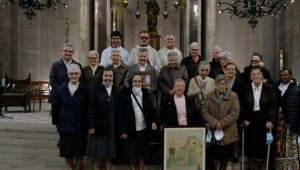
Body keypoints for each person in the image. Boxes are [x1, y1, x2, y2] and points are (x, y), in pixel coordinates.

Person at [119, 75, 158, 170]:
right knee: (131, 151)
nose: (137, 83)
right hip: (130, 128)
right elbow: (121, 114)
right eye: (135, 81)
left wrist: (154, 121)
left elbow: (152, 109)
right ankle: (133, 168)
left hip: (143, 127)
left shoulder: (146, 93)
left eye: (139, 81)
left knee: (142, 151)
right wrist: (122, 130)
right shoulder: (125, 94)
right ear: (131, 83)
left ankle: (141, 168)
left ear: (142, 83)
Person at [241, 67, 277, 170]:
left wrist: (270, 120)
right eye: (254, 74)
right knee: (250, 144)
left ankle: (263, 167)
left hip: (264, 118)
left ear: (262, 76)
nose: (256, 76)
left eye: (258, 74)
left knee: (264, 144)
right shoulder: (246, 88)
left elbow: (273, 105)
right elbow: (242, 105)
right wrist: (244, 119)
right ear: (250, 77)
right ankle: (251, 167)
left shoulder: (269, 88)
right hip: (250, 119)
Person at [201, 74, 240, 170]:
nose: (220, 86)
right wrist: (215, 123)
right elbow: (204, 111)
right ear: (215, 84)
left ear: (226, 85)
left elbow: (235, 113)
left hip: (228, 131)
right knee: (210, 155)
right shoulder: (209, 96)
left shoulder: (233, 96)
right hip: (213, 130)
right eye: (218, 84)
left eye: (222, 84)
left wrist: (221, 124)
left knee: (225, 156)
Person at [55, 64, 90, 170]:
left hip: (81, 125)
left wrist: (88, 125)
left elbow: (88, 108)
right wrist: (57, 124)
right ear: (68, 74)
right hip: (65, 125)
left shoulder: (85, 89)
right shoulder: (61, 88)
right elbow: (56, 108)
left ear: (80, 74)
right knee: (67, 151)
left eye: (76, 73)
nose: (73, 75)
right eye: (71, 73)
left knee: (79, 151)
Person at [86, 68, 121, 170]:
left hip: (112, 126)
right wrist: (91, 125)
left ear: (113, 77)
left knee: (109, 151)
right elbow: (90, 109)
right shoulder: (95, 89)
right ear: (102, 77)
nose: (108, 78)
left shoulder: (117, 90)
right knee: (98, 152)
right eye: (106, 76)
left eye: (110, 76)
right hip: (98, 125)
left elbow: (119, 110)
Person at [49, 43, 82, 148]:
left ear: (73, 53)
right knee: (58, 119)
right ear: (62, 52)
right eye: (66, 51)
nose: (68, 53)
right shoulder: (56, 65)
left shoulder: (78, 65)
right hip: (57, 97)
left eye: (70, 51)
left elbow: (80, 80)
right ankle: (61, 139)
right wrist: (62, 91)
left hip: (73, 97)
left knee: (71, 118)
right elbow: (52, 79)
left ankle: (70, 138)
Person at [273, 69, 300, 170]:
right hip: (278, 123)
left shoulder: (296, 88)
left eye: (285, 75)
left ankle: (292, 167)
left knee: (291, 147)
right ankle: (281, 167)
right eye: (281, 76)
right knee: (279, 147)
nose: (283, 77)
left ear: (291, 76)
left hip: (291, 123)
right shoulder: (275, 88)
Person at [224, 62, 245, 163]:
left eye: (232, 69)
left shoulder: (241, 84)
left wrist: (236, 111)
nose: (230, 71)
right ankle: (225, 154)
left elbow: (242, 100)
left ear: (236, 71)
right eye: (228, 69)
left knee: (235, 134)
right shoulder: (221, 82)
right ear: (225, 70)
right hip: (223, 113)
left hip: (236, 113)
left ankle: (235, 153)